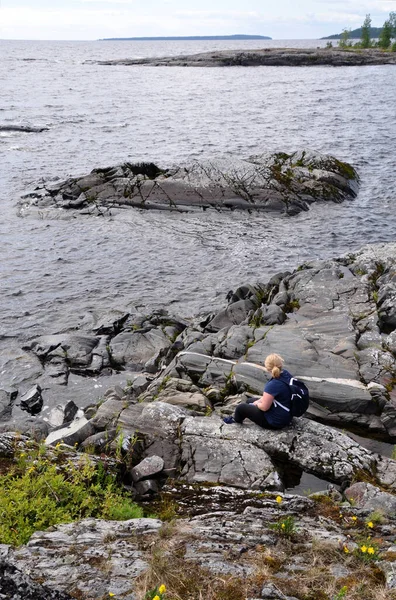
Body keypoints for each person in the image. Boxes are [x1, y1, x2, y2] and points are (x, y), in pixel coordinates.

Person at [223, 353, 293, 430]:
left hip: (275, 422)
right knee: (249, 401)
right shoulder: (286, 374)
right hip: (286, 414)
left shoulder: (272, 385)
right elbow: (272, 396)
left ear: (267, 368)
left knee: (241, 408)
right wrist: (258, 401)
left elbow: (264, 408)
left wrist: (257, 404)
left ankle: (235, 421)